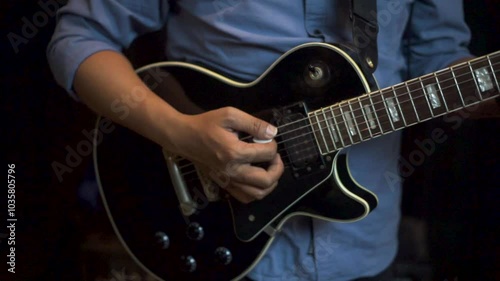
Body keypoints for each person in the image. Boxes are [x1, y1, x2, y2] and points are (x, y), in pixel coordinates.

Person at [47, 1, 480, 280]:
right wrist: (182, 135)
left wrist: (486, 93)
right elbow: (78, 39)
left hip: (363, 249)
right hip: (207, 226)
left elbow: (440, 63)